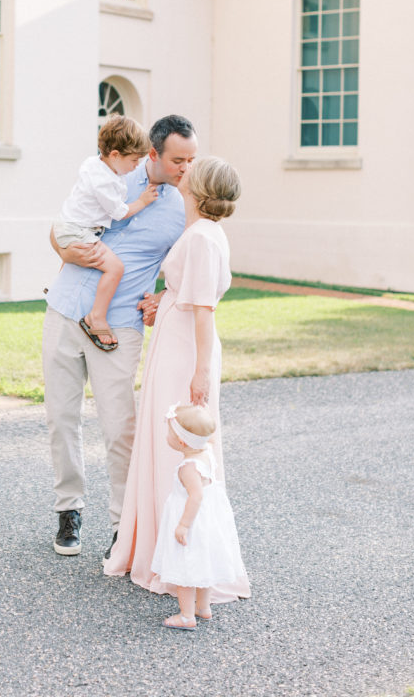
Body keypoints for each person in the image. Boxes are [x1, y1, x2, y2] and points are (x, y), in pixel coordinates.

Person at [43, 115, 198, 556]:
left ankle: (122, 525)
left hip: (119, 329)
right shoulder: (110, 173)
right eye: (177, 160)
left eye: (191, 160)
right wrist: (58, 245)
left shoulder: (185, 207)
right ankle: (68, 510)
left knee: (120, 430)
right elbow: (61, 228)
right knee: (61, 419)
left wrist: (162, 296)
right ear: (152, 154)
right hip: (65, 309)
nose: (185, 168)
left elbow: (190, 265)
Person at [104, 156, 251, 605]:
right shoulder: (200, 232)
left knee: (180, 448)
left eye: (192, 168)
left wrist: (199, 373)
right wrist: (163, 301)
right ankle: (152, 546)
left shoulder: (204, 238)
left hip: (187, 355)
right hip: (174, 345)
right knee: (159, 443)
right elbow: (189, 294)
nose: (182, 171)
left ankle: (180, 556)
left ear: (198, 187)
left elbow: (204, 310)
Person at [52, 115, 159, 352]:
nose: (136, 165)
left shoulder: (94, 165)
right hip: (78, 231)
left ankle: (64, 294)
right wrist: (143, 201)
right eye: (134, 160)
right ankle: (96, 317)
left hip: (70, 226)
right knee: (115, 268)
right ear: (115, 155)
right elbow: (120, 212)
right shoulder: (104, 182)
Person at [151, 403, 247, 631]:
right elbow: (208, 438)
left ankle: (186, 616)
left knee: (185, 567)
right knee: (204, 564)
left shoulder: (188, 467)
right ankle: (203, 608)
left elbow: (195, 496)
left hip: (191, 520)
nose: (167, 436)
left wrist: (183, 525)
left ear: (182, 442)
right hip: (208, 520)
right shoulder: (206, 453)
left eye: (170, 433)